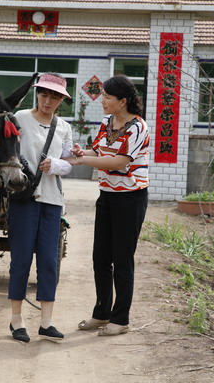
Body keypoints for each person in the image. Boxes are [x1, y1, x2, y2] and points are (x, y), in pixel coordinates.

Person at [68, 75, 150, 336]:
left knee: (122, 258)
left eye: (107, 97)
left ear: (122, 101)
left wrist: (82, 163)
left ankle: (121, 319)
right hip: (107, 195)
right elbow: (98, 151)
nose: (102, 101)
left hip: (130, 198)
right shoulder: (107, 122)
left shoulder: (138, 127)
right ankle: (101, 313)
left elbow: (118, 162)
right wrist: (83, 154)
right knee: (100, 257)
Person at [8, 73, 74, 343]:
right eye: (44, 95)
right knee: (21, 260)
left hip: (52, 201)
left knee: (48, 261)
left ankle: (46, 322)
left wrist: (55, 165)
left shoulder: (64, 127)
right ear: (37, 94)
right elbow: (7, 151)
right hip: (24, 199)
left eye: (54, 96)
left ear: (61, 100)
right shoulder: (19, 119)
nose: (48, 101)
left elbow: (69, 163)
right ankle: (16, 321)